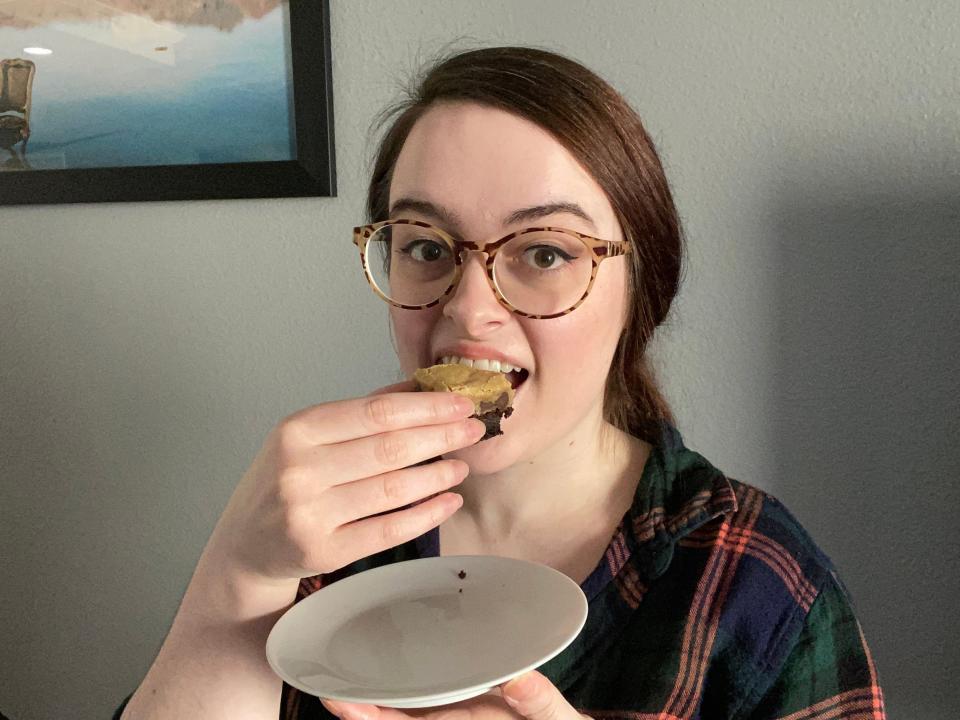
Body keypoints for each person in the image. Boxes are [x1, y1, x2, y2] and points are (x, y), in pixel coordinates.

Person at [116, 46, 885, 720]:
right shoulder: (314, 540)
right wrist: (238, 574)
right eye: (424, 245)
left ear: (638, 289)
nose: (468, 308)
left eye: (545, 253)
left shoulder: (755, 580)